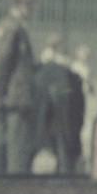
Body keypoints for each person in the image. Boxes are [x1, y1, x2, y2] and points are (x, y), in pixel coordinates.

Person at [0, 0, 40, 174]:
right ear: (20, 5)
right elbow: (2, 60)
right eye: (30, 4)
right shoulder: (12, 27)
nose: (33, 9)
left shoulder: (15, 26)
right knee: (16, 145)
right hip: (14, 96)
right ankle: (12, 186)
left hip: (10, 95)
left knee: (3, 143)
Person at [36, 34, 87, 174]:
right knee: (63, 135)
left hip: (60, 93)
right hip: (62, 93)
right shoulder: (52, 59)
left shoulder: (55, 61)